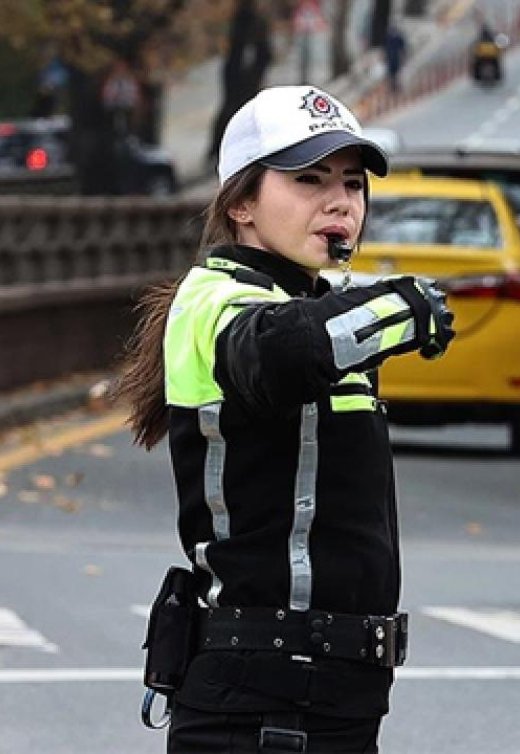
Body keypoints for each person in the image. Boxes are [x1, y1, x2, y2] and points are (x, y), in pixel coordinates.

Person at [114, 85, 455, 751]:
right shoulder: (213, 300)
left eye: (353, 184)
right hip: (262, 701)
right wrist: (401, 307)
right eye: (308, 180)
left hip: (336, 696)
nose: (339, 202)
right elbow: (283, 351)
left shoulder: (315, 301)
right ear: (241, 202)